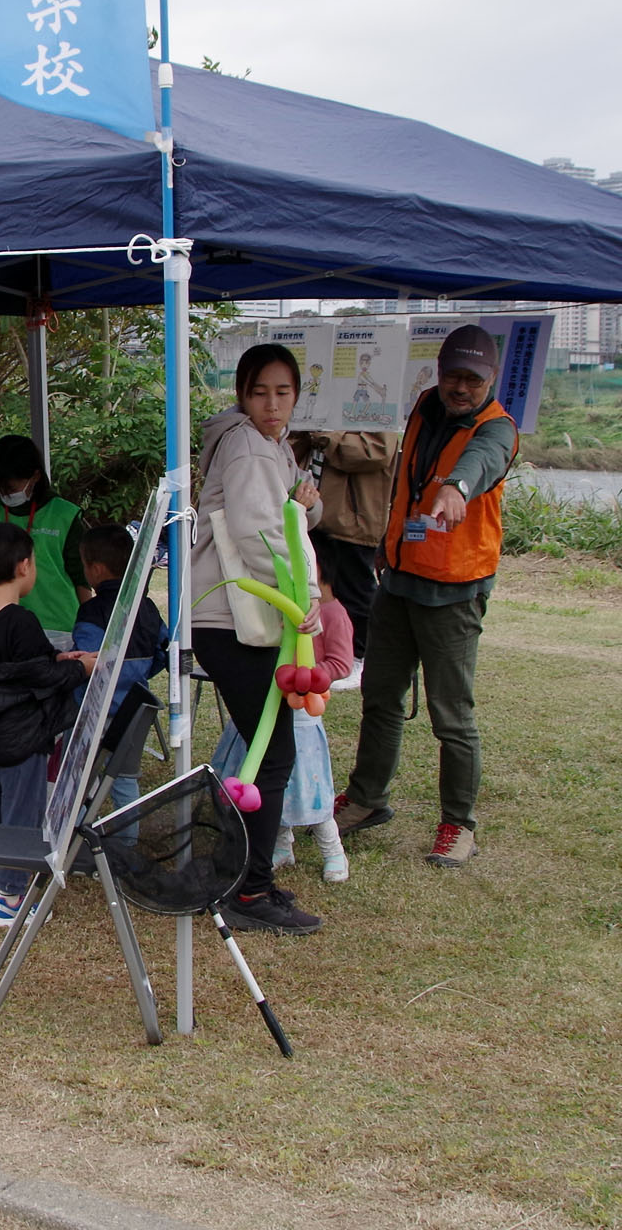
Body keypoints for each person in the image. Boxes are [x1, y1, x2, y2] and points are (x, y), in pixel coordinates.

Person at [337, 324, 517, 870]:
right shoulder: (423, 406)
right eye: (452, 376)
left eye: (472, 379)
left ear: (490, 378)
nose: (460, 387)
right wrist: (388, 545)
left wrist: (456, 489)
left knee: (451, 716)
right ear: (437, 373)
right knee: (380, 697)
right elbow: (403, 478)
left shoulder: (498, 429)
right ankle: (368, 800)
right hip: (399, 579)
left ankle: (458, 824)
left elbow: (478, 464)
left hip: (455, 592)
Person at [188, 341, 326, 936]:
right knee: (273, 755)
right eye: (260, 391)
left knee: (262, 749)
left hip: (241, 617)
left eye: (283, 392)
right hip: (233, 617)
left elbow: (293, 518)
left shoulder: (272, 445)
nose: (272, 404)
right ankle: (250, 892)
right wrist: (305, 600)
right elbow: (255, 533)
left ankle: (238, 871)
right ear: (243, 393)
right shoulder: (247, 443)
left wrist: (310, 506)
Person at [0, 522, 94, 926]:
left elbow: (18, 667)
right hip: (22, 738)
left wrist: (55, 661)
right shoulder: (23, 620)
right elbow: (40, 678)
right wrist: (80, 668)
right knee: (20, 816)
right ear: (25, 566)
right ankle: (11, 895)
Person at [215, 580, 355, 883]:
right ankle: (280, 843)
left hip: (303, 711)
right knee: (270, 785)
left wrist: (310, 676)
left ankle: (332, 849)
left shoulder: (331, 613)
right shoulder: (271, 607)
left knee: (308, 789)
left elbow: (341, 663)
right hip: (268, 703)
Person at [70, 523, 167, 830]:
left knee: (83, 778)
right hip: (136, 709)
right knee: (125, 778)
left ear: (96, 569)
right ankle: (126, 843)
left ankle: (79, 833)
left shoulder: (92, 611)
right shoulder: (147, 607)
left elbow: (88, 661)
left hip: (96, 710)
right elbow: (163, 650)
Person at [0, 435, 90, 649]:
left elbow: (81, 577)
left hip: (58, 629)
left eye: (12, 487)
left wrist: (89, 626)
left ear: (35, 476)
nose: (6, 493)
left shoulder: (64, 515)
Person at [293, 429, 394, 687]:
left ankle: (359, 656)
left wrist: (328, 436)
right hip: (314, 514)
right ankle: (323, 653)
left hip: (352, 521)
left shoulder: (379, 411)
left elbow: (379, 452)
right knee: (314, 586)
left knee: (355, 590)